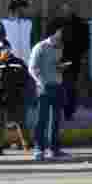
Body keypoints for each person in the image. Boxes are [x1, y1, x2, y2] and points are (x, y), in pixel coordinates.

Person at [0, 40, 32, 157]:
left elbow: (27, 79)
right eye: (3, 49)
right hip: (0, 100)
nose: (6, 51)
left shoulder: (19, 63)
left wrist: (25, 93)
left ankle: (27, 145)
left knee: (21, 122)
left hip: (17, 98)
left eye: (7, 48)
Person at [29, 28, 69, 160]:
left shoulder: (60, 47)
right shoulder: (40, 47)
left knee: (55, 119)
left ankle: (54, 149)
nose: (61, 45)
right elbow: (32, 68)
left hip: (57, 85)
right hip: (44, 87)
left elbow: (54, 65)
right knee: (42, 119)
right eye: (60, 40)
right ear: (54, 35)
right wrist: (41, 82)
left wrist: (61, 67)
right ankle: (39, 149)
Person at [46, 3, 89, 122]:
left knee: (70, 87)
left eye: (68, 9)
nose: (66, 11)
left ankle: (68, 112)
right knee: (58, 87)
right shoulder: (54, 23)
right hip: (57, 61)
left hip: (73, 61)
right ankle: (59, 111)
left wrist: (81, 55)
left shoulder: (80, 24)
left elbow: (85, 42)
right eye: (64, 9)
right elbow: (47, 41)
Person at [0, 0, 39, 66]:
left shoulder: (30, 24)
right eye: (23, 9)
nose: (26, 12)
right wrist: (3, 51)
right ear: (16, 10)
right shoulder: (4, 23)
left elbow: (34, 42)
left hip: (27, 62)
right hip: (10, 61)